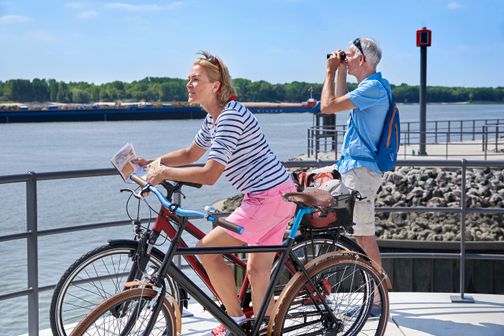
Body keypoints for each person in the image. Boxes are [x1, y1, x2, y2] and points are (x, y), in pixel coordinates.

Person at [133, 51, 296, 335]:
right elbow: (190, 153)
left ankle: (236, 322)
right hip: (274, 195)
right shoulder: (214, 118)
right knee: (257, 272)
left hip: (267, 198)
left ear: (216, 86)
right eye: (188, 79)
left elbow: (209, 174)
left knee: (206, 251)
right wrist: (153, 163)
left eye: (196, 79)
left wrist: (165, 174)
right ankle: (264, 327)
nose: (189, 84)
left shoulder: (230, 117)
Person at [320, 37, 390, 273]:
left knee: (363, 237)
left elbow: (327, 106)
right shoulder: (367, 89)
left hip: (361, 173)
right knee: (316, 207)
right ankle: (316, 281)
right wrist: (340, 71)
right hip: (353, 170)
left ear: (361, 59)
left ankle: (379, 300)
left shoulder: (374, 88)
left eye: (349, 55)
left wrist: (329, 72)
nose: (345, 58)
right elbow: (340, 101)